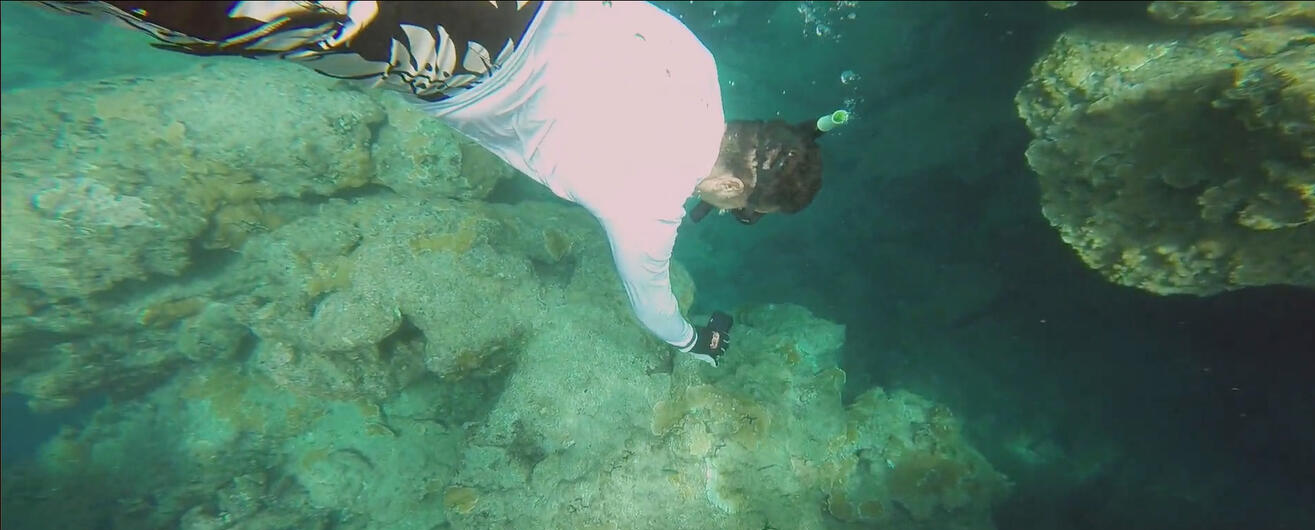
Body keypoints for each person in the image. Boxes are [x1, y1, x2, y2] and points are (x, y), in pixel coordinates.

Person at [40, 1, 840, 365]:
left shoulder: (695, 61)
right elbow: (652, 305)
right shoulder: (650, 209)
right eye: (742, 215)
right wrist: (693, 343)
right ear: (736, 194)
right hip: (435, 56)